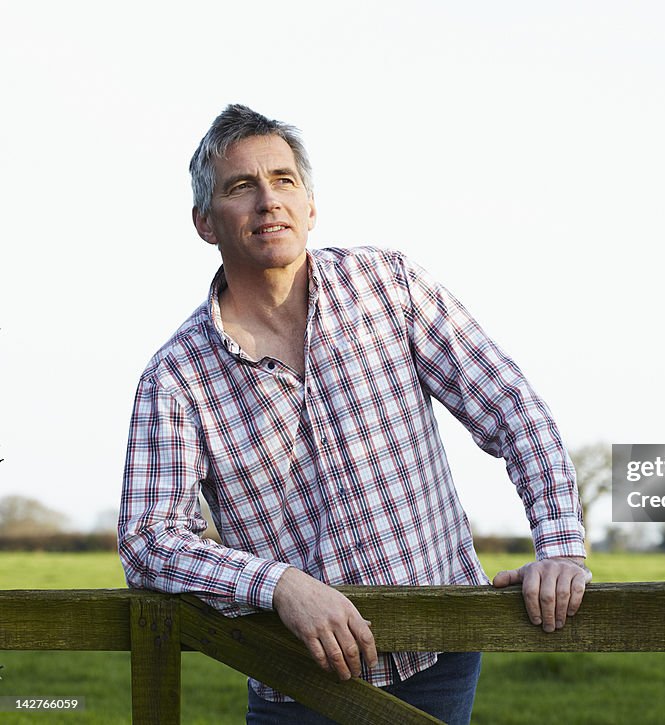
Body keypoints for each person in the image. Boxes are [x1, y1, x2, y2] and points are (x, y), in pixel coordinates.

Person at [117, 104, 590, 724]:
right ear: (205, 223)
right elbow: (149, 540)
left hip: (439, 656)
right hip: (294, 681)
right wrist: (279, 584)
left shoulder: (387, 285)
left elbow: (511, 407)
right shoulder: (176, 377)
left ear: (310, 206)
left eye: (284, 180)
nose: (268, 201)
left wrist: (560, 546)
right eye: (242, 187)